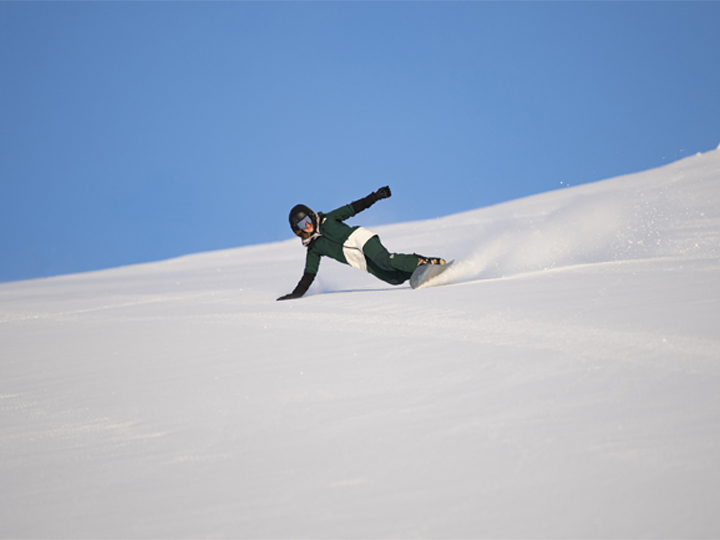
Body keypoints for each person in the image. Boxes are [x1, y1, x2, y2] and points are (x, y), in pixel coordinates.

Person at [277, 186, 445, 300]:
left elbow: (353, 208)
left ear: (310, 215)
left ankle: (419, 261)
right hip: (357, 259)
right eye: (301, 225)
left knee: (385, 260)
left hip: (360, 239)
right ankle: (421, 272)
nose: (307, 226)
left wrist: (375, 196)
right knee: (392, 278)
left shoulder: (328, 218)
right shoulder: (313, 249)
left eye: (307, 220)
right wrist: (296, 294)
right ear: (297, 230)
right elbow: (309, 274)